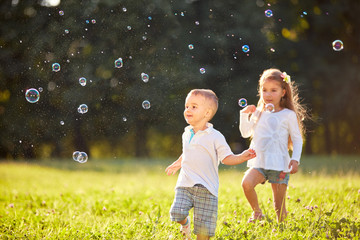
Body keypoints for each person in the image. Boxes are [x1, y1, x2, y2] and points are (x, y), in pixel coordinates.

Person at [166, 89, 256, 240]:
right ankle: (186, 223)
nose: (188, 109)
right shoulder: (186, 132)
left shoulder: (215, 136)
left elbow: (226, 158)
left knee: (203, 233)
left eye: (194, 107)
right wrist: (178, 162)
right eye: (187, 106)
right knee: (177, 213)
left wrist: (241, 157)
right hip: (185, 184)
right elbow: (188, 151)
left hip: (207, 189)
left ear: (207, 113)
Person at [239, 68, 307, 223]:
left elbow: (297, 139)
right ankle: (257, 212)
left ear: (283, 92)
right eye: (264, 90)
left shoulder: (288, 115)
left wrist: (295, 159)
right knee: (246, 184)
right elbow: (245, 133)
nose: (268, 94)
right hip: (260, 162)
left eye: (273, 90)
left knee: (279, 208)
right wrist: (244, 114)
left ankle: (281, 230)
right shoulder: (258, 112)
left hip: (279, 165)